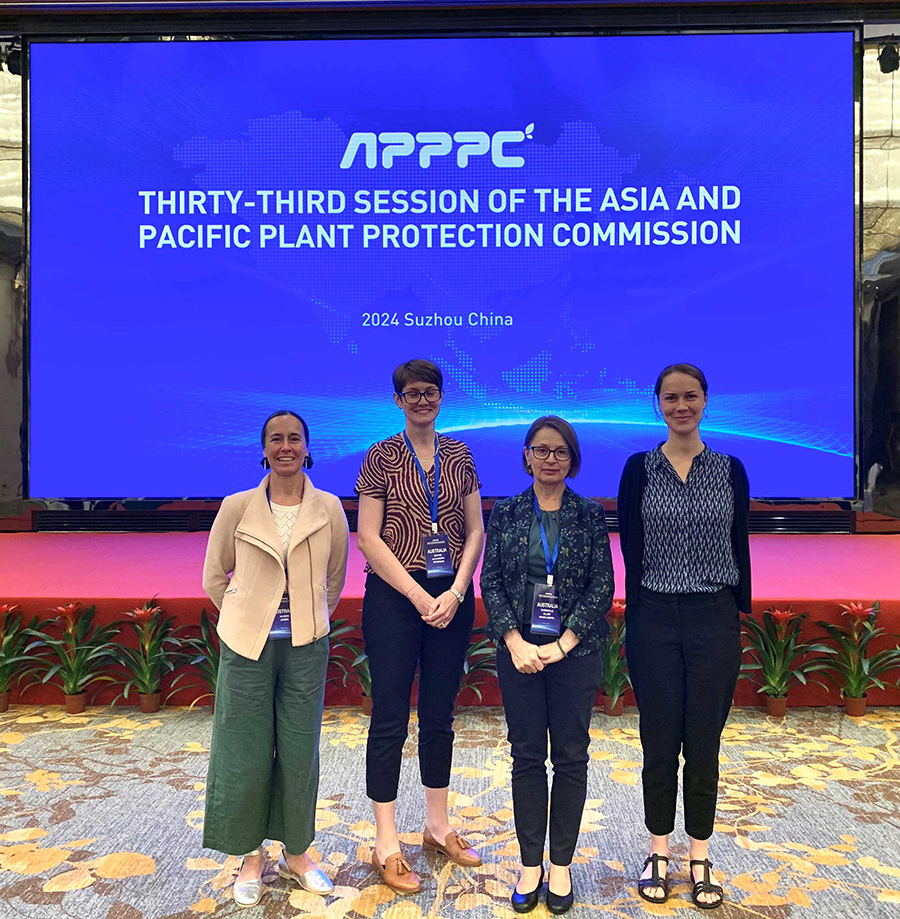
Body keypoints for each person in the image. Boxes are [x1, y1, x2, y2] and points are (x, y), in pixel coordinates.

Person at [202, 410, 349, 908]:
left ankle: (298, 851)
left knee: (299, 750)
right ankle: (249, 855)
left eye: (294, 439)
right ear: (263, 449)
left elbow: (334, 578)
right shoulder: (236, 506)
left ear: (308, 448)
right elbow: (214, 577)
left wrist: (305, 619)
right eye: (275, 439)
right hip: (248, 647)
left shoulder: (329, 508)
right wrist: (249, 616)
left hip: (305, 647)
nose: (286, 446)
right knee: (242, 751)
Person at [617, 364, 751, 910]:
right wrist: (641, 613)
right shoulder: (638, 469)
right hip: (654, 618)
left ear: (704, 402)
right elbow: (631, 544)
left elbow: (739, 541)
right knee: (658, 740)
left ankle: (699, 855)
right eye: (670, 398)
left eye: (690, 396)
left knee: (704, 743)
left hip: (713, 618)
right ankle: (658, 851)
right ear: (657, 404)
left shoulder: (730, 469)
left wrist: (735, 611)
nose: (680, 406)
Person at [356, 359, 484, 894]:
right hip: (394, 595)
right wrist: (417, 593)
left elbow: (475, 529)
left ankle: (436, 825)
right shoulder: (381, 455)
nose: (422, 401)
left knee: (439, 715)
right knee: (389, 715)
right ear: (398, 400)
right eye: (411, 393)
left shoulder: (460, 454)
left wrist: (454, 591)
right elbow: (367, 536)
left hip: (450, 597)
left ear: (441, 397)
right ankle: (386, 840)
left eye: (430, 392)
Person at [481, 416, 614, 915]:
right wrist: (514, 641)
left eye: (560, 451)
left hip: (572, 654)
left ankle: (561, 864)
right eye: (541, 450)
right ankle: (530, 863)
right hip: (519, 653)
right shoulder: (508, 512)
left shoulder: (590, 515)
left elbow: (602, 585)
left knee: (572, 758)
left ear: (572, 459)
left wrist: (563, 644)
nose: (551, 458)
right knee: (527, 756)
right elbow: (490, 581)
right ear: (526, 455)